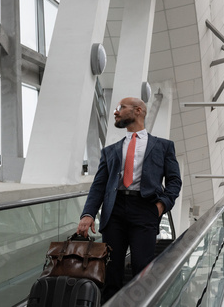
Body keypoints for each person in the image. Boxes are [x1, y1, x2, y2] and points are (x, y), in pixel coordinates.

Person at [76, 97, 182, 301]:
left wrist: (161, 206)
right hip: (114, 212)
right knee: (111, 271)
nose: (116, 112)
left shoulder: (163, 146)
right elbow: (99, 185)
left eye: (121, 108)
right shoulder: (111, 151)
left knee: (142, 269)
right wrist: (88, 214)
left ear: (138, 110)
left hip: (145, 210)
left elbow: (174, 181)